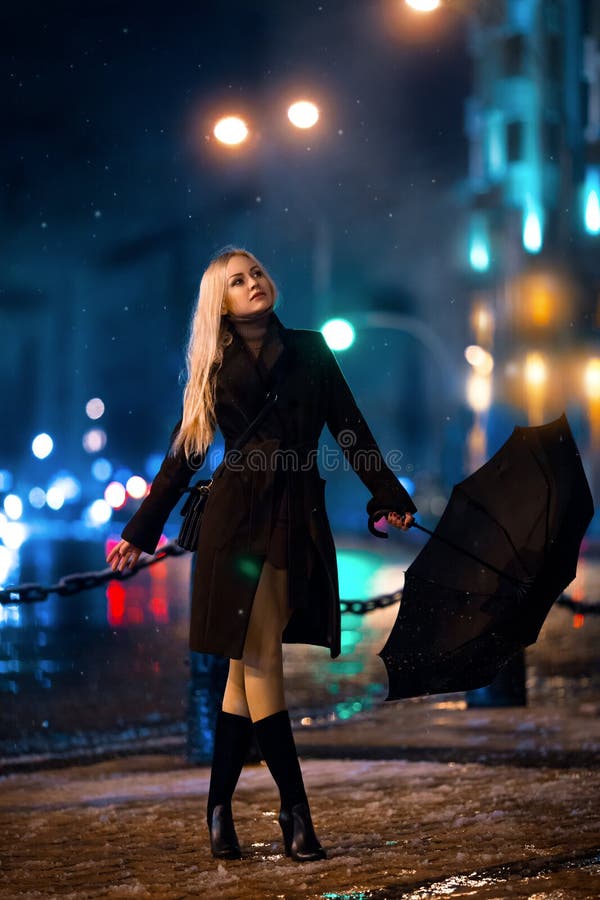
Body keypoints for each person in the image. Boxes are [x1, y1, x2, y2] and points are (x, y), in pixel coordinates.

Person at [106, 247, 416, 862]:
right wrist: (139, 532)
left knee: (245, 674)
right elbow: (183, 455)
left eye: (258, 274)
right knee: (257, 660)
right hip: (233, 524)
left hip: (293, 517)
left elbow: (349, 427)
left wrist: (386, 493)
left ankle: (220, 812)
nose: (254, 285)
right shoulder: (212, 366)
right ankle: (294, 813)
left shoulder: (310, 350)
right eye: (238, 281)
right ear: (218, 301)